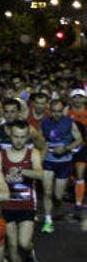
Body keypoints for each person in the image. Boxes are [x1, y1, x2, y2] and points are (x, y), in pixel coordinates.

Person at [0, 120, 43, 262]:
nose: (19, 140)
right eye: (16, 136)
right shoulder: (1, 155)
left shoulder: (33, 153)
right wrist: (4, 180)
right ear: (10, 135)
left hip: (27, 205)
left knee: (23, 243)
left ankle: (29, 253)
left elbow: (40, 174)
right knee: (12, 244)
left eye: (22, 137)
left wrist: (22, 172)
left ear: (27, 136)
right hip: (7, 206)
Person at [39, 99, 82, 232]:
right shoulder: (45, 122)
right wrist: (42, 151)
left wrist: (66, 148)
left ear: (63, 110)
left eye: (59, 111)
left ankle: (57, 204)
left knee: (57, 196)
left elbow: (80, 139)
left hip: (64, 162)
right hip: (48, 160)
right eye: (54, 111)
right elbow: (40, 139)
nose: (56, 114)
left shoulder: (69, 122)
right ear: (49, 110)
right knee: (46, 192)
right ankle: (48, 221)